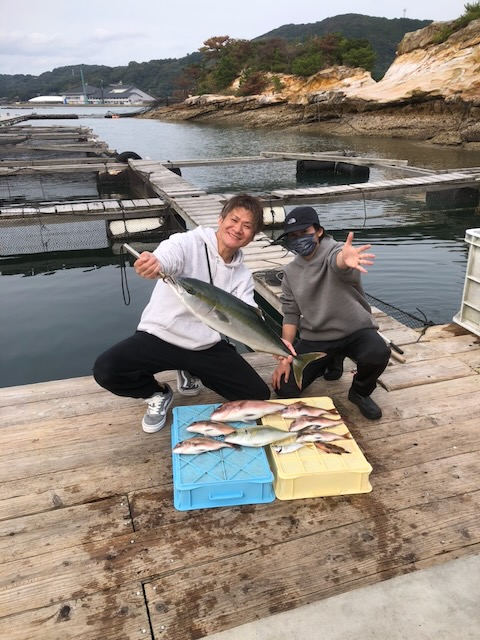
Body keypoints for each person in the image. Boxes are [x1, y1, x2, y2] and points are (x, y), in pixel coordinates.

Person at [93, 194, 271, 433]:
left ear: (253, 235)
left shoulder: (242, 275)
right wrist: (155, 263)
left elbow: (248, 314)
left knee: (258, 395)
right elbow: (168, 256)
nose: (238, 229)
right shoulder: (188, 242)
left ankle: (190, 369)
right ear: (221, 219)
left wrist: (273, 346)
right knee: (106, 369)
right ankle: (157, 393)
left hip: (204, 346)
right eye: (234, 219)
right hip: (161, 335)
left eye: (247, 226)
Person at [271, 206, 391, 420]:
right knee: (284, 388)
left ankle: (360, 392)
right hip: (317, 337)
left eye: (304, 232)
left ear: (318, 231)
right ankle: (331, 360)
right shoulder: (290, 272)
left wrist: (346, 260)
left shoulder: (335, 251)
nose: (298, 239)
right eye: (293, 235)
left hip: (355, 330)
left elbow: (339, 263)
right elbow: (290, 313)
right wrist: (285, 357)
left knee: (378, 352)